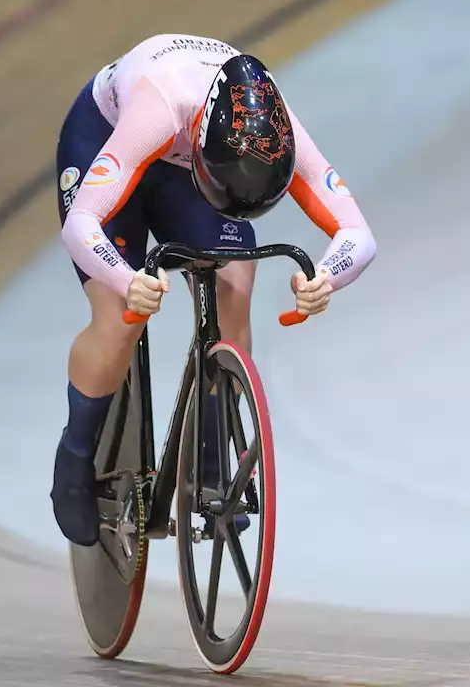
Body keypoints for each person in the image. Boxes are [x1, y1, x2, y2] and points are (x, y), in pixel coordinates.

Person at [52, 34, 377, 546]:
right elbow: (81, 226)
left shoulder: (276, 127)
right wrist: (127, 278)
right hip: (109, 138)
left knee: (235, 281)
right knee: (119, 319)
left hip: (194, 167)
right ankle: (75, 451)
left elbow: (358, 234)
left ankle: (210, 456)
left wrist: (326, 277)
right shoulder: (161, 108)